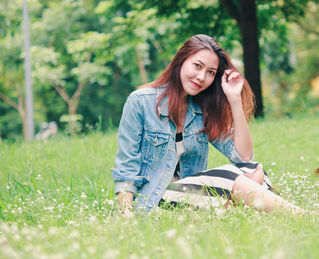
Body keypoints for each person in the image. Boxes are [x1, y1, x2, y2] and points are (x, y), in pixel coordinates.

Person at [112, 34, 303, 214]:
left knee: (250, 168)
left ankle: (232, 201)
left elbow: (243, 156)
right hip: (155, 198)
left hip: (192, 192)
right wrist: (127, 213)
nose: (202, 77)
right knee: (233, 176)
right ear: (181, 61)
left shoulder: (202, 109)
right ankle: (300, 215)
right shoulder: (140, 101)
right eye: (197, 66)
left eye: (210, 72)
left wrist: (234, 99)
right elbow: (126, 169)